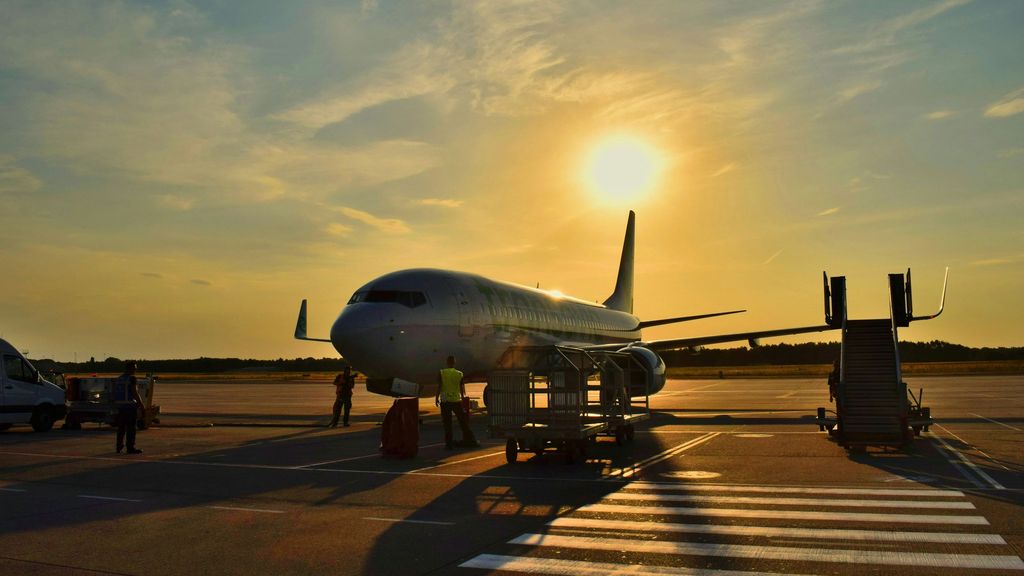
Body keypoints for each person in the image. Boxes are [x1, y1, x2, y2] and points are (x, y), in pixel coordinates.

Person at [435, 355, 479, 449]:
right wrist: (463, 400)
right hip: (456, 401)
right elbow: (461, 389)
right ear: (454, 363)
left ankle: (449, 444)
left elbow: (439, 386)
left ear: (447, 363)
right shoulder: (459, 374)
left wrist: (436, 398)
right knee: (463, 422)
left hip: (445, 401)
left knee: (447, 424)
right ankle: (470, 440)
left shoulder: (442, 373)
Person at [113, 360, 144, 454]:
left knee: (121, 429)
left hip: (120, 407)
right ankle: (130, 448)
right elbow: (135, 393)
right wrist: (141, 405)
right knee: (131, 429)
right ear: (130, 368)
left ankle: (119, 447)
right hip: (130, 407)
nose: (135, 370)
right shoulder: (132, 378)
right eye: (134, 368)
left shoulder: (119, 378)